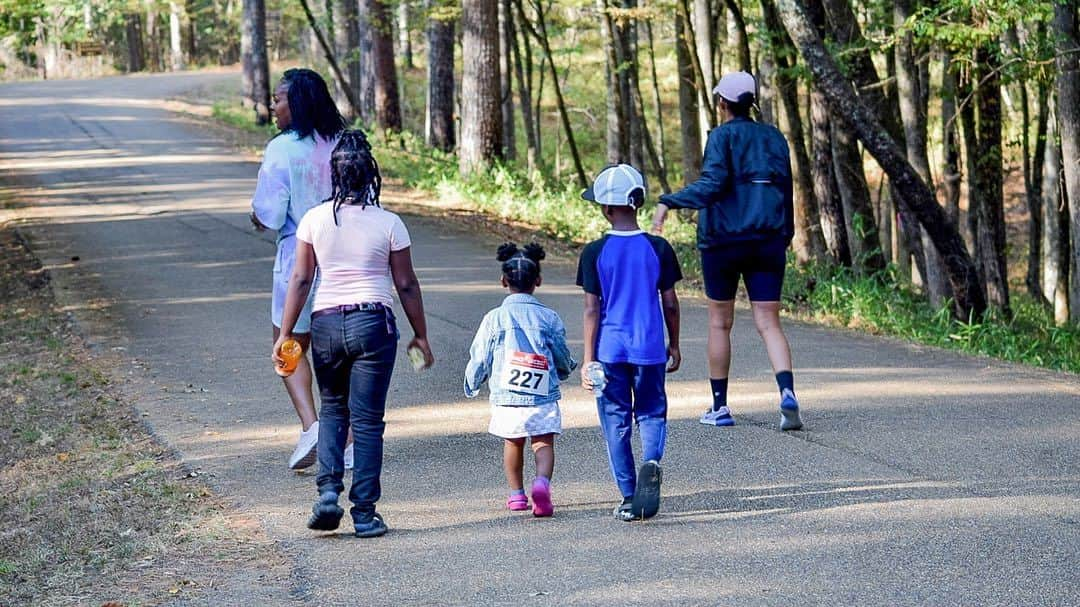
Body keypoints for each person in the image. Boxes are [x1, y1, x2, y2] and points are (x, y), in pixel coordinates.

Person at [273, 130, 434, 539]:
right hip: (373, 324)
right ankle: (364, 512)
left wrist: (287, 331)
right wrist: (421, 334)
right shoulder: (389, 223)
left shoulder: (314, 219)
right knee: (366, 421)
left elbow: (301, 278)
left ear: (336, 174)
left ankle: (328, 492)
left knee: (332, 410)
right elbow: (407, 284)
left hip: (326, 323)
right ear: (370, 174)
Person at [652, 71, 803, 432]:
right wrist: (786, 234)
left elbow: (712, 186)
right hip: (768, 239)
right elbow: (786, 189)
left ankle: (720, 407)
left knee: (720, 322)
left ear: (722, 103)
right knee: (769, 323)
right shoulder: (774, 137)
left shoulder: (721, 137)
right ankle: (788, 394)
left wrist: (668, 202)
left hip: (723, 242)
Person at [250, 68, 346, 470]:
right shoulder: (344, 140)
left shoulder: (281, 149)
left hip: (297, 260)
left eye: (278, 99)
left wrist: (255, 216)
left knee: (287, 345)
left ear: (297, 102)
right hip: (346, 255)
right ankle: (349, 439)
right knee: (344, 351)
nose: (272, 107)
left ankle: (311, 426)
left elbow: (269, 214)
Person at [577, 164, 682, 522]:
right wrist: (675, 343)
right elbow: (670, 301)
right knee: (652, 411)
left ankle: (628, 495)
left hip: (609, 351)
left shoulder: (594, 252)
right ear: (637, 204)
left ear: (606, 209)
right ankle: (651, 460)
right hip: (650, 348)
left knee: (615, 421)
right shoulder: (659, 248)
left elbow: (592, 309)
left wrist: (588, 358)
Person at [464, 243, 576, 518]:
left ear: (503, 281)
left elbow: (480, 355)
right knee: (543, 443)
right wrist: (564, 370)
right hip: (541, 394)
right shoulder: (548, 317)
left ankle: (516, 495)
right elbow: (560, 353)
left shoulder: (494, 318)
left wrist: (473, 381)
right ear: (538, 280)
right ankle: (541, 484)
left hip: (507, 393)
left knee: (513, 441)